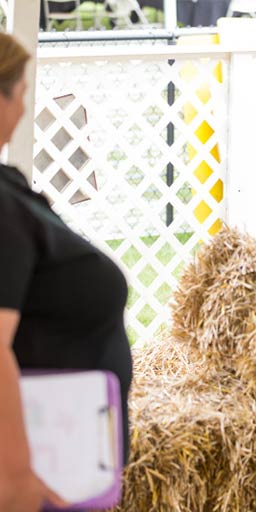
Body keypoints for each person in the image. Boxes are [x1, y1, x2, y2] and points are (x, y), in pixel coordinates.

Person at [0, 33, 133, 510]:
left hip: (56, 451)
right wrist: (15, 478)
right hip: (35, 469)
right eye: (21, 91)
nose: (23, 104)